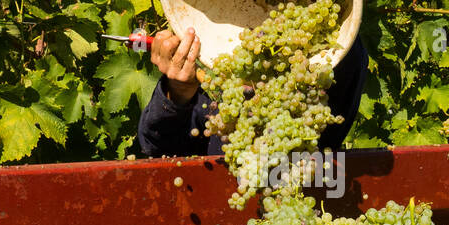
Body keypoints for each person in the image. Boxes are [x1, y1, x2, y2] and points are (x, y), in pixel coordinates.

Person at [136, 25, 369, 158]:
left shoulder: (336, 55)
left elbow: (322, 131)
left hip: (299, 211)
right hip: (216, 216)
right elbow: (157, 148)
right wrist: (177, 91)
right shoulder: (215, 60)